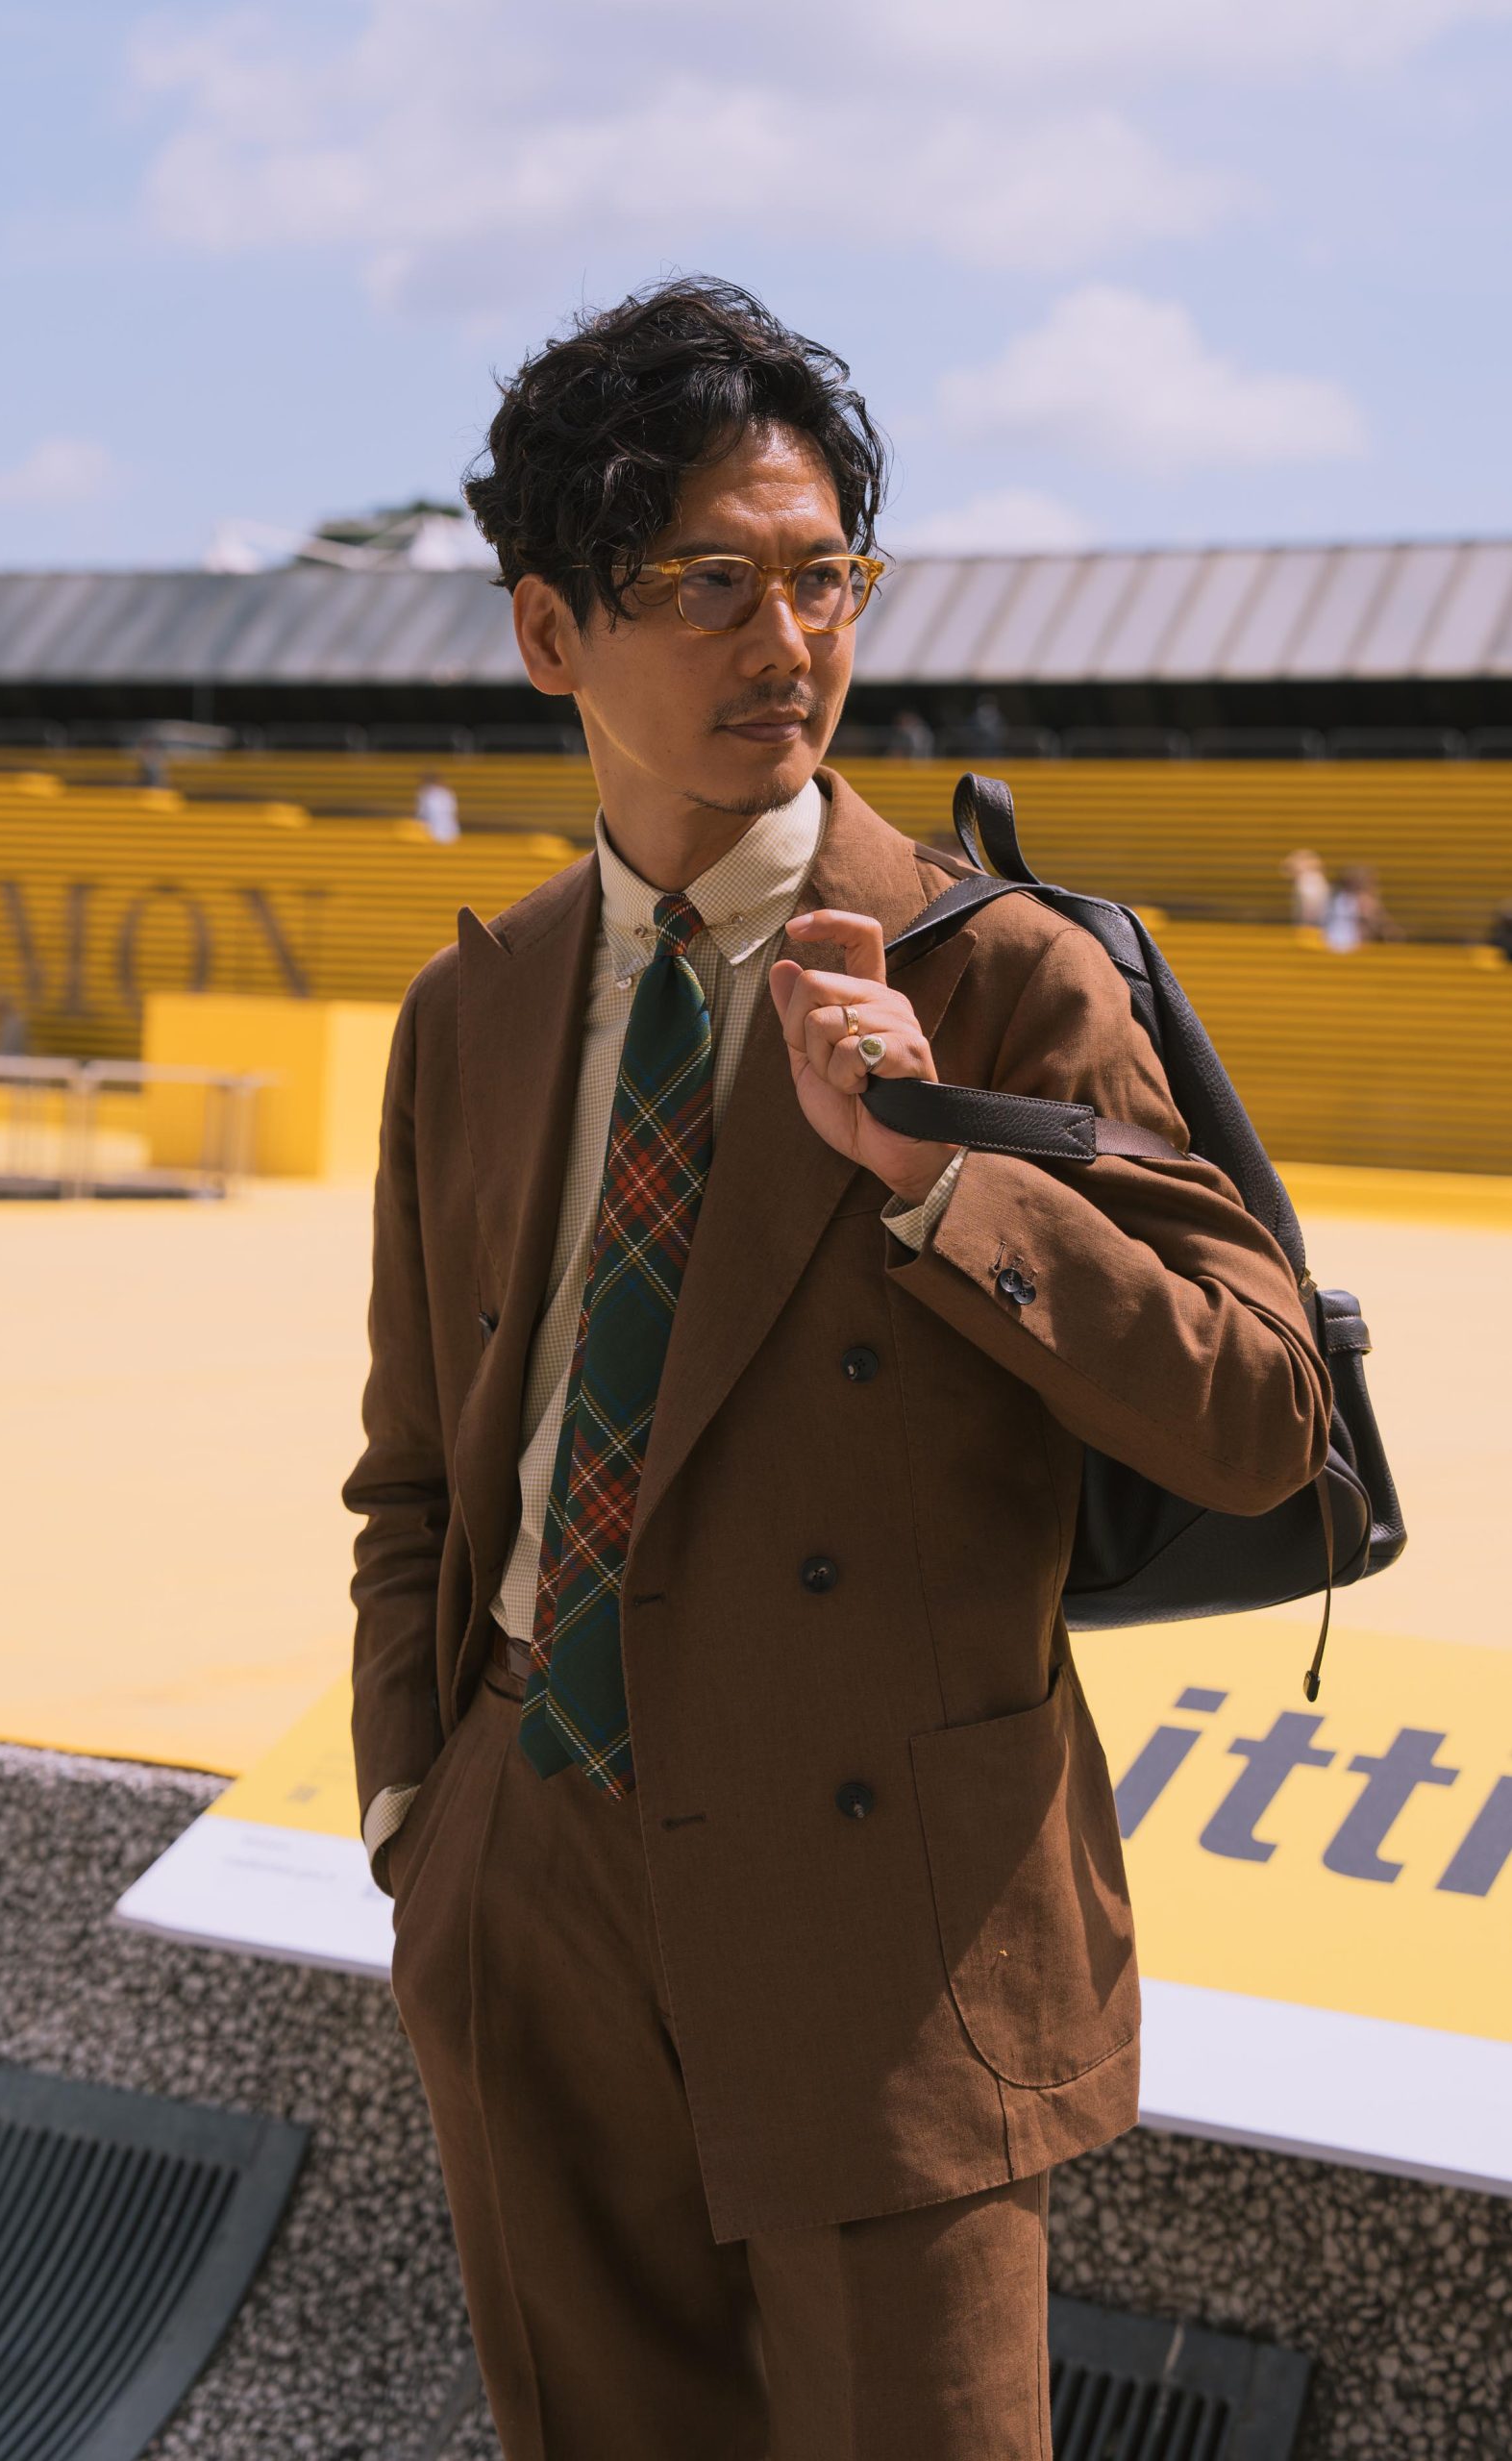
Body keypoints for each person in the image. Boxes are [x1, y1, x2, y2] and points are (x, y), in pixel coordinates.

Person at [342, 277, 1330, 2461]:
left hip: (880, 1917)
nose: (781, 640)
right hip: (538, 1892)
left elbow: (1263, 1407)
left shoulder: (999, 977)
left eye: (820, 578)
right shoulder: (478, 1010)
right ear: (546, 634)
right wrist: (428, 1809)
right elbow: (418, 1472)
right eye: (706, 583)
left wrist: (933, 1177)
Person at [1324, 863, 1401, 953]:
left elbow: (1378, 923)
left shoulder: (1365, 900)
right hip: (1334, 942)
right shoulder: (1335, 896)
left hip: (1355, 945)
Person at [1281, 848, 1330, 932]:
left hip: (1312, 922)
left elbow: (1310, 906)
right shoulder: (1315, 878)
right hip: (1316, 920)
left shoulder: (1308, 880)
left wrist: (1306, 924)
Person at [414, 769, 460, 841]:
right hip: (449, 832)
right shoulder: (447, 792)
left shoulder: (427, 793)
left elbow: (423, 813)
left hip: (435, 833)